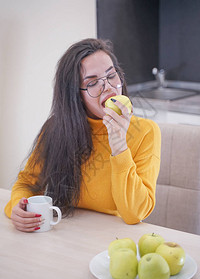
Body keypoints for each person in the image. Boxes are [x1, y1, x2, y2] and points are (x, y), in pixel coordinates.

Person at [4, 38, 161, 232]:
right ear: (76, 95)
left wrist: (119, 145)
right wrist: (18, 207)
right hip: (67, 237)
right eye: (93, 82)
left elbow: (135, 214)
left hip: (117, 239)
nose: (109, 87)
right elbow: (27, 182)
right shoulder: (56, 129)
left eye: (112, 75)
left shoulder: (146, 131)